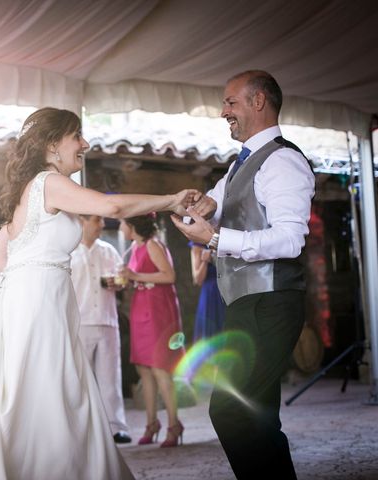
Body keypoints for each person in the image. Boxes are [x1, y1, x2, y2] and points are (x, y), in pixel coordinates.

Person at [0, 107, 198, 479]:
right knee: (47, 390)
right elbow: (112, 206)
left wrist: (25, 277)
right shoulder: (49, 182)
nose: (85, 144)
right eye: (77, 136)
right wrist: (171, 200)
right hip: (40, 300)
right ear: (53, 145)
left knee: (35, 390)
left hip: (34, 296)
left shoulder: (30, 190)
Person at [172, 70, 315, 480]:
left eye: (231, 102)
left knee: (231, 410)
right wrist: (190, 207)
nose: (223, 112)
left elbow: (290, 240)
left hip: (272, 302)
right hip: (246, 303)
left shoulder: (283, 161)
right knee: (259, 417)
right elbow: (210, 205)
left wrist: (215, 239)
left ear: (258, 102)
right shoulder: (239, 167)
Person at [119, 214, 185, 448]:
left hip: (158, 311)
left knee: (160, 369)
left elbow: (169, 276)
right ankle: (151, 423)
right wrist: (126, 280)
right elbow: (140, 277)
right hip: (140, 310)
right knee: (143, 369)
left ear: (133, 225)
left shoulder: (153, 245)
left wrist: (135, 275)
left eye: (123, 223)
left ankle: (174, 425)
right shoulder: (134, 248)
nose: (120, 227)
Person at [71, 214, 131, 444]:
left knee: (111, 376)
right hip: (80, 323)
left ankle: (116, 428)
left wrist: (121, 283)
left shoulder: (108, 250)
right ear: (82, 222)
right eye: (97, 220)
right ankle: (80, 428)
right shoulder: (68, 253)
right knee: (78, 378)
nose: (102, 225)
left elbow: (122, 279)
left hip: (107, 319)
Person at [189, 242, 225, 342]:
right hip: (211, 294)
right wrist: (205, 261)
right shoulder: (197, 247)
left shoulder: (225, 240)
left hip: (227, 289)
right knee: (210, 329)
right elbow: (198, 280)